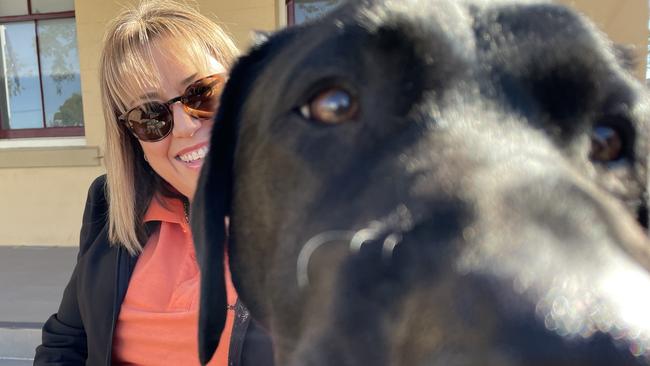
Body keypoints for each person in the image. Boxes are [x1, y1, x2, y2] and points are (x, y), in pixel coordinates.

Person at [33, 1, 273, 365]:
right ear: (132, 137)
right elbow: (65, 344)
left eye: (202, 93)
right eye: (150, 115)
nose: (186, 126)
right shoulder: (111, 204)